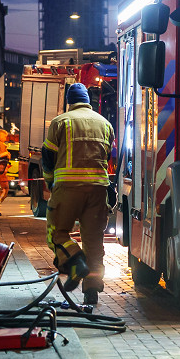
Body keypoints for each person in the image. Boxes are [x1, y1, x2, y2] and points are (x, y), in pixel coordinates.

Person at [42, 83, 114, 306]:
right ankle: (91, 291)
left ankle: (75, 260)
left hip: (68, 189)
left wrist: (49, 180)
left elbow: (48, 156)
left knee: (57, 232)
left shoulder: (60, 122)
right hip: (99, 190)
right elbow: (108, 155)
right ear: (88, 101)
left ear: (69, 102)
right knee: (94, 242)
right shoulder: (105, 124)